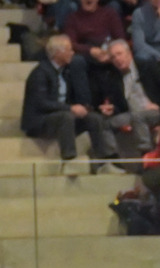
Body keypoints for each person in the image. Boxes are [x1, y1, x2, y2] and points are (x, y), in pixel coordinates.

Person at [21, 34, 117, 175]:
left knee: (94, 118)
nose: (73, 53)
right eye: (69, 50)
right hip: (40, 120)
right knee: (66, 117)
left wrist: (84, 108)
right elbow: (41, 103)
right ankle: (70, 160)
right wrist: (71, 108)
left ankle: (101, 162)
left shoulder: (66, 71)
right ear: (58, 52)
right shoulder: (40, 73)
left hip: (63, 116)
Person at [93, 40, 160, 158]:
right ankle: (113, 160)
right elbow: (121, 105)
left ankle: (145, 153)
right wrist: (112, 108)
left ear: (129, 53)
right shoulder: (113, 77)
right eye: (113, 57)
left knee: (138, 116)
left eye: (119, 54)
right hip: (132, 113)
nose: (117, 59)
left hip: (155, 111)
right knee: (105, 124)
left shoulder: (148, 66)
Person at [63, 0, 125, 72]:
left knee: (120, 55)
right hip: (86, 54)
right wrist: (91, 50)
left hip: (107, 50)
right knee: (76, 60)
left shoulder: (110, 13)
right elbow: (71, 43)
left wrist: (110, 54)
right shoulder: (73, 18)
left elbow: (120, 39)